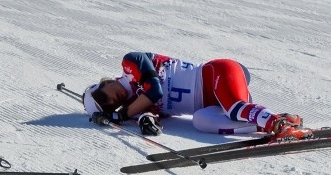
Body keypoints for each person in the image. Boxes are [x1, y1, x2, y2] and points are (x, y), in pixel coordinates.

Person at [82, 52, 305, 139]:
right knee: (201, 121)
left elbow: (155, 90)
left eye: (103, 97)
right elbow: (151, 116)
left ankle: (277, 124)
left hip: (218, 73)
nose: (112, 101)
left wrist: (122, 115)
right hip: (212, 104)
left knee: (234, 107)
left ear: (104, 83)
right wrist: (146, 121)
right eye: (108, 106)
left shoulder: (131, 63)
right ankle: (276, 119)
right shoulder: (136, 106)